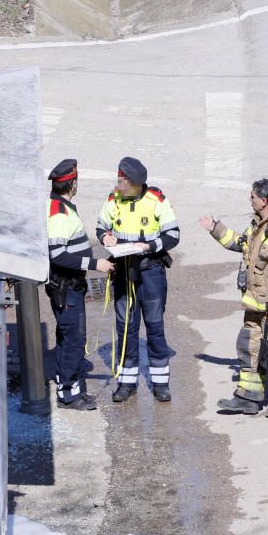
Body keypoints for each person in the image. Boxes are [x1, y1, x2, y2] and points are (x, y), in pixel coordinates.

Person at [198, 178, 268, 418]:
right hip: (255, 306)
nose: (248, 200)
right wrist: (215, 228)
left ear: (263, 201)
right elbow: (242, 244)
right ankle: (248, 398)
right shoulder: (258, 226)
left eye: (251, 197)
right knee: (249, 349)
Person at [96, 157, 179, 403]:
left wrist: (149, 246)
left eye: (122, 182)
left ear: (134, 183)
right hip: (123, 271)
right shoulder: (113, 199)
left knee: (154, 325)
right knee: (125, 328)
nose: (118, 185)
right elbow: (101, 227)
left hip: (150, 271)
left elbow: (173, 235)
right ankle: (127, 382)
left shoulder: (157, 201)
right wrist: (105, 238)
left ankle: (160, 383)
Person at [45, 159, 113, 410]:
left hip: (69, 286)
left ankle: (71, 389)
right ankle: (68, 395)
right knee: (73, 340)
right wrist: (95, 264)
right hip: (66, 288)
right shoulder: (59, 214)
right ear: (72, 183)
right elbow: (58, 255)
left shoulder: (60, 205)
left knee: (68, 339)